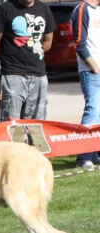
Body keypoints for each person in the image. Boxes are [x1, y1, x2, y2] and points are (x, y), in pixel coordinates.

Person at [0, 0, 56, 122]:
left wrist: (34, 53)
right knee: (11, 124)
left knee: (37, 125)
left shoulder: (44, 9)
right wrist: (9, 60)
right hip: (13, 75)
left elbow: (48, 42)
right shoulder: (6, 9)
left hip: (38, 75)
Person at [72, 0, 100, 168]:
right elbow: (79, 43)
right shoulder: (82, 9)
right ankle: (83, 156)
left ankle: (95, 153)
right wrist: (95, 67)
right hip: (91, 71)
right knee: (93, 111)